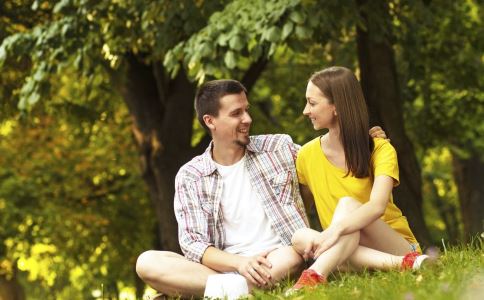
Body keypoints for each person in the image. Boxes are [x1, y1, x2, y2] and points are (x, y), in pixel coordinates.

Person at [135, 79, 387, 298]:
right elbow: (193, 244)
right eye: (236, 114)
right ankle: (232, 290)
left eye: (247, 110)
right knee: (147, 262)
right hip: (223, 266)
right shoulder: (191, 176)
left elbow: (327, 161)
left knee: (291, 256)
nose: (247, 119)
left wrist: (366, 141)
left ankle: (205, 292)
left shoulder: (279, 147)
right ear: (210, 121)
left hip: (280, 257)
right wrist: (241, 263)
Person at [289, 66, 429, 291]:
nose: (306, 111)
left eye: (312, 103)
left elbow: (376, 206)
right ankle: (408, 265)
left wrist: (334, 231)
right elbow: (302, 209)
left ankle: (313, 277)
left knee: (347, 205)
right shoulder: (306, 155)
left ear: (336, 107)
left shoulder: (380, 148)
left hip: (394, 244)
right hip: (344, 249)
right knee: (299, 236)